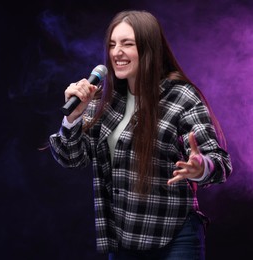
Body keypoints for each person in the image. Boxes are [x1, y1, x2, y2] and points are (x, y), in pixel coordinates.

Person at [49, 10, 232, 260]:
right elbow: (71, 158)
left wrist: (200, 168)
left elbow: (219, 162)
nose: (117, 52)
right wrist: (73, 117)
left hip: (176, 236)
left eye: (127, 44)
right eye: (112, 45)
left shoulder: (180, 97)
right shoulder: (103, 101)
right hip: (124, 241)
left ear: (149, 49)